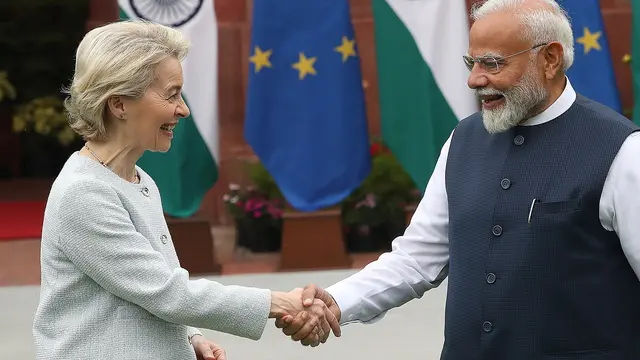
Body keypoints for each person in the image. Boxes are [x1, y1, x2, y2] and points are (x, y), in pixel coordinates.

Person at [277, 0, 640, 358]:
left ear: (550, 59)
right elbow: (417, 259)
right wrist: (336, 301)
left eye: (493, 63)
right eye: (472, 62)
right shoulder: (463, 140)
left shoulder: (622, 149)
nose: (474, 79)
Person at [32, 20, 339, 360]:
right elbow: (167, 292)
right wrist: (280, 302)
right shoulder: (83, 193)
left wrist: (188, 338)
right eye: (171, 94)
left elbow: (152, 284)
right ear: (119, 104)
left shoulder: (139, 180)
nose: (184, 109)